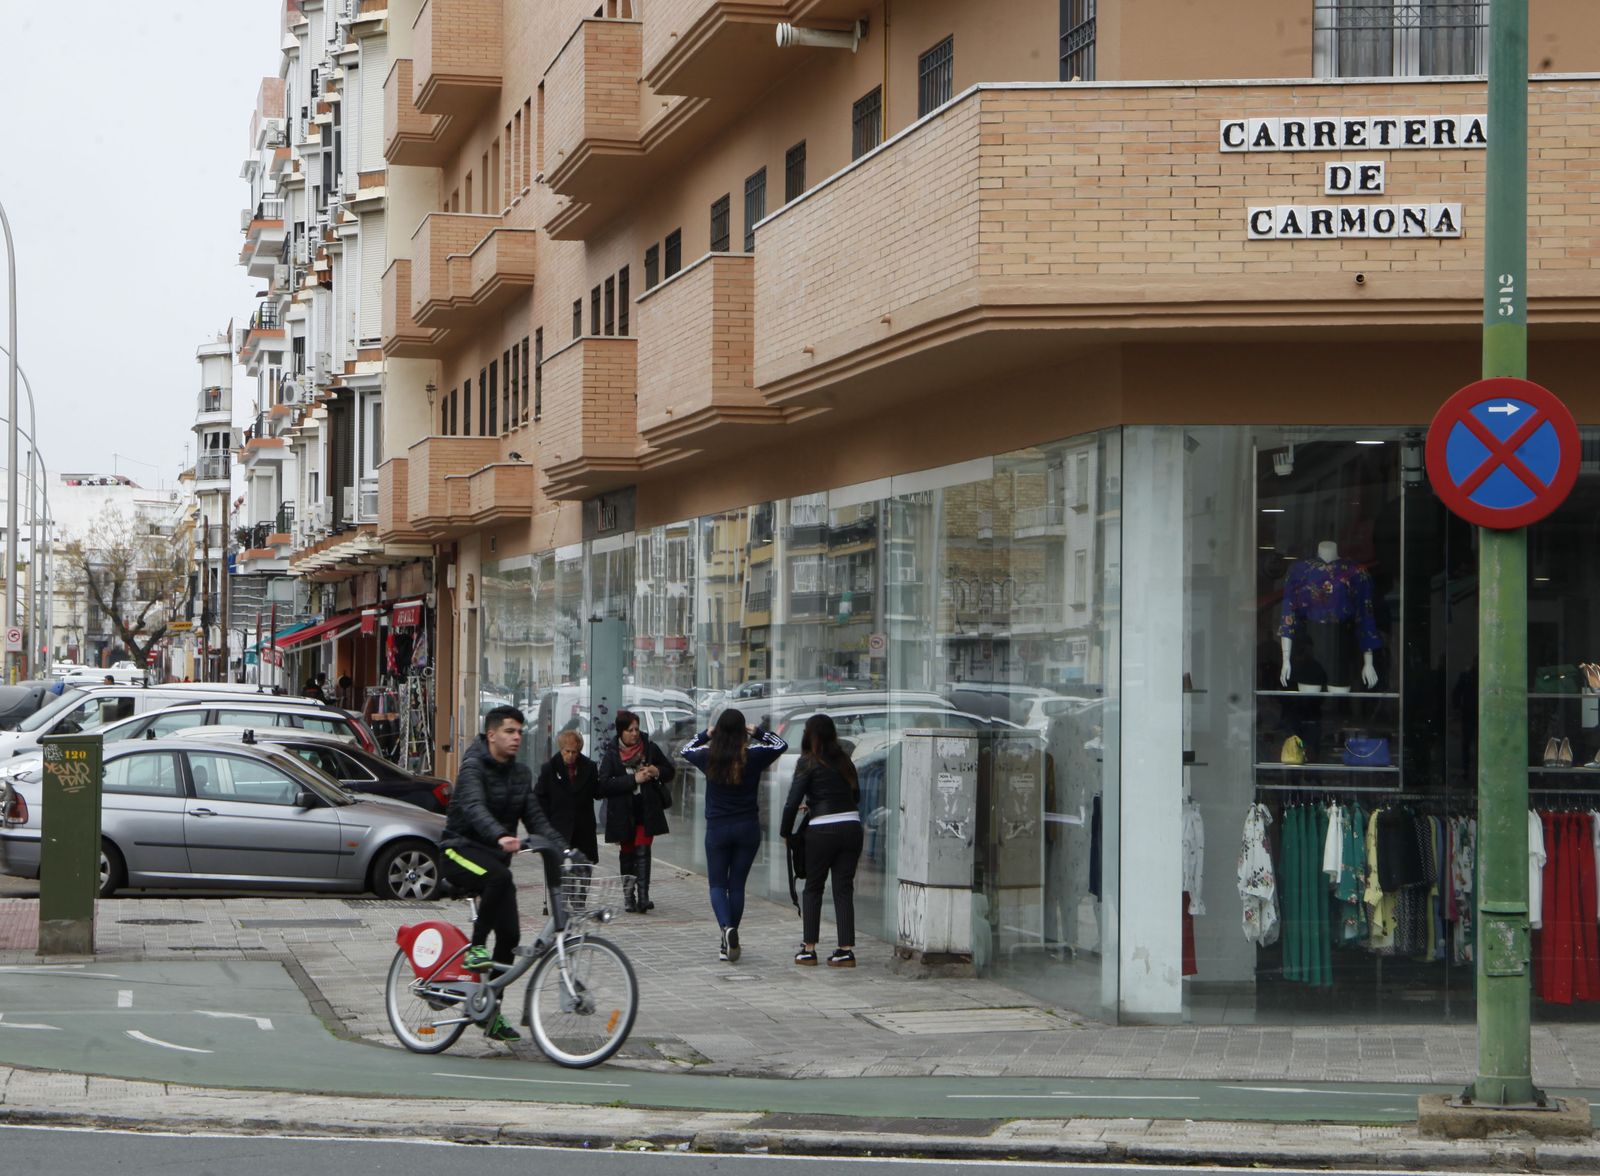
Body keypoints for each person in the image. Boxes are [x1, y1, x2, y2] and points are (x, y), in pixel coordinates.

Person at [440, 705, 572, 1042]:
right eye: (510, 731)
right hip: (459, 851)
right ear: (491, 735)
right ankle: (475, 949)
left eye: (519, 732)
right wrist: (499, 835)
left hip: (495, 861)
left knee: (512, 937)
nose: (516, 737)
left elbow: (535, 817)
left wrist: (564, 848)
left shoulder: (520, 774)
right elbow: (474, 807)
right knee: (499, 877)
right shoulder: (472, 768)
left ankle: (489, 1012)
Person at [682, 708, 787, 962]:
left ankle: (725, 929)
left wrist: (706, 734)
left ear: (719, 731)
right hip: (747, 827)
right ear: (743, 732)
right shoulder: (754, 755)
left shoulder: (709, 756)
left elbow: (686, 749)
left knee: (717, 884)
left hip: (718, 828)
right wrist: (758, 731)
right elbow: (781, 744)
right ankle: (729, 937)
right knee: (736, 885)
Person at [780, 713, 863, 968]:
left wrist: (786, 833)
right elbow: (855, 796)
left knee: (814, 887)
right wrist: (818, 803)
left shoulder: (808, 762)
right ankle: (845, 950)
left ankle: (809, 949)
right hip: (851, 827)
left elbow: (792, 801)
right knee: (843, 888)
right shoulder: (845, 760)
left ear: (809, 735)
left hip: (822, 831)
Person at [597, 709, 676, 914]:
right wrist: (633, 780)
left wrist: (656, 771)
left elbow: (669, 770)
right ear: (621, 732)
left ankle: (643, 897)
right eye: (630, 730)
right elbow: (603, 785)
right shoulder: (612, 754)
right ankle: (628, 897)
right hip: (622, 812)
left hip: (646, 808)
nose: (634, 733)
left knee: (643, 850)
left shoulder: (649, 748)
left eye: (637, 729)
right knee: (628, 852)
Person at [534, 729, 616, 867]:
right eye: (567, 751)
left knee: (583, 874)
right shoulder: (549, 769)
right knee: (561, 878)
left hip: (583, 831)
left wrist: (612, 782)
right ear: (561, 749)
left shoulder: (589, 767)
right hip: (559, 830)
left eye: (574, 752)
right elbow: (539, 799)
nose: (570, 755)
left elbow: (596, 792)